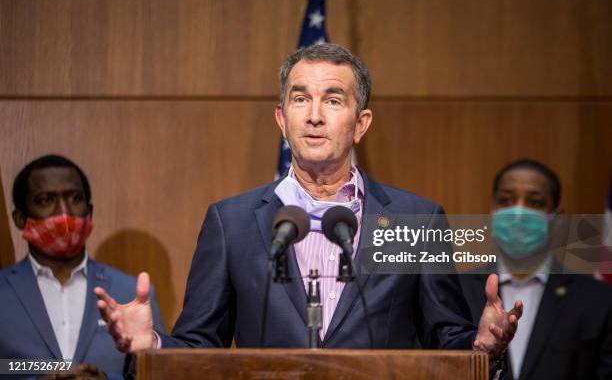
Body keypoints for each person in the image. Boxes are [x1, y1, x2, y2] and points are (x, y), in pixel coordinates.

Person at [96, 43, 521, 363]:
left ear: (360, 123)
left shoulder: (416, 220)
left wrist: (481, 346)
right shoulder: (233, 222)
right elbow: (199, 347)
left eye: (333, 100)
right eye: (300, 99)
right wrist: (149, 346)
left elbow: (446, 340)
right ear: (282, 119)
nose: (314, 115)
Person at [0, 154, 165, 379]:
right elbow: (4, 366)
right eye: (45, 200)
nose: (64, 212)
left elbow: (158, 373)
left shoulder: (132, 293)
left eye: (75, 198)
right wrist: (38, 374)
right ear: (20, 218)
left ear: (90, 212)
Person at [460, 159, 612, 379]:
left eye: (534, 203)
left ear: (557, 218)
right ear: (493, 211)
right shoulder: (455, 291)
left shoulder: (599, 300)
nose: (519, 213)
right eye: (506, 201)